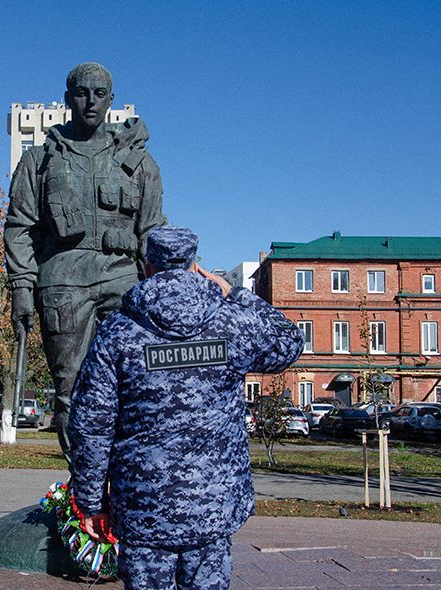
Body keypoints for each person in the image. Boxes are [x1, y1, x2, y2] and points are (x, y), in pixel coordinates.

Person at [67, 226, 304, 590]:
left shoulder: (118, 332)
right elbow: (289, 341)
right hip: (213, 504)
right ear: (195, 265)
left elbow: (91, 424)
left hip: (143, 505)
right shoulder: (231, 323)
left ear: (147, 267)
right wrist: (238, 295)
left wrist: (91, 501)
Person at [4, 62, 164, 459]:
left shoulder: (140, 163)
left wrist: (167, 296)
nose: (90, 101)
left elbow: (152, 234)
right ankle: (85, 496)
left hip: (124, 282)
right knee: (71, 392)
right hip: (63, 284)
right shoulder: (38, 161)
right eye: (81, 92)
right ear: (66, 98)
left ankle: (124, 490)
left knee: (133, 385)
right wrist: (22, 290)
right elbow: (20, 228)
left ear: (111, 99)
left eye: (99, 94)